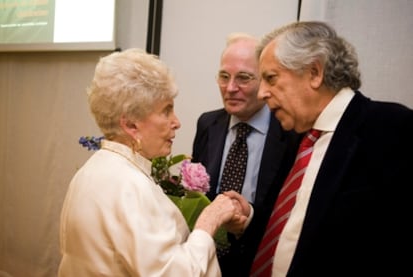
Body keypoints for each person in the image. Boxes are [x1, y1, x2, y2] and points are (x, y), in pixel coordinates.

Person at [58, 48, 251, 277]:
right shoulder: (130, 186)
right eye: (166, 111)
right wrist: (209, 221)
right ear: (131, 125)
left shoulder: (92, 170)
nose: (177, 122)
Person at [251, 21, 413, 276]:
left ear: (315, 72)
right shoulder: (297, 138)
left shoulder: (392, 128)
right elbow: (290, 225)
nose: (261, 93)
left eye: (271, 78)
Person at [191, 33, 301, 276]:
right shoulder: (208, 124)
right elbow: (198, 196)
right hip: (208, 260)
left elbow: (293, 213)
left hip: (262, 261)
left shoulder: (290, 131)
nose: (230, 88)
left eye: (243, 78)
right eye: (223, 76)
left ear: (264, 82)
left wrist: (248, 217)